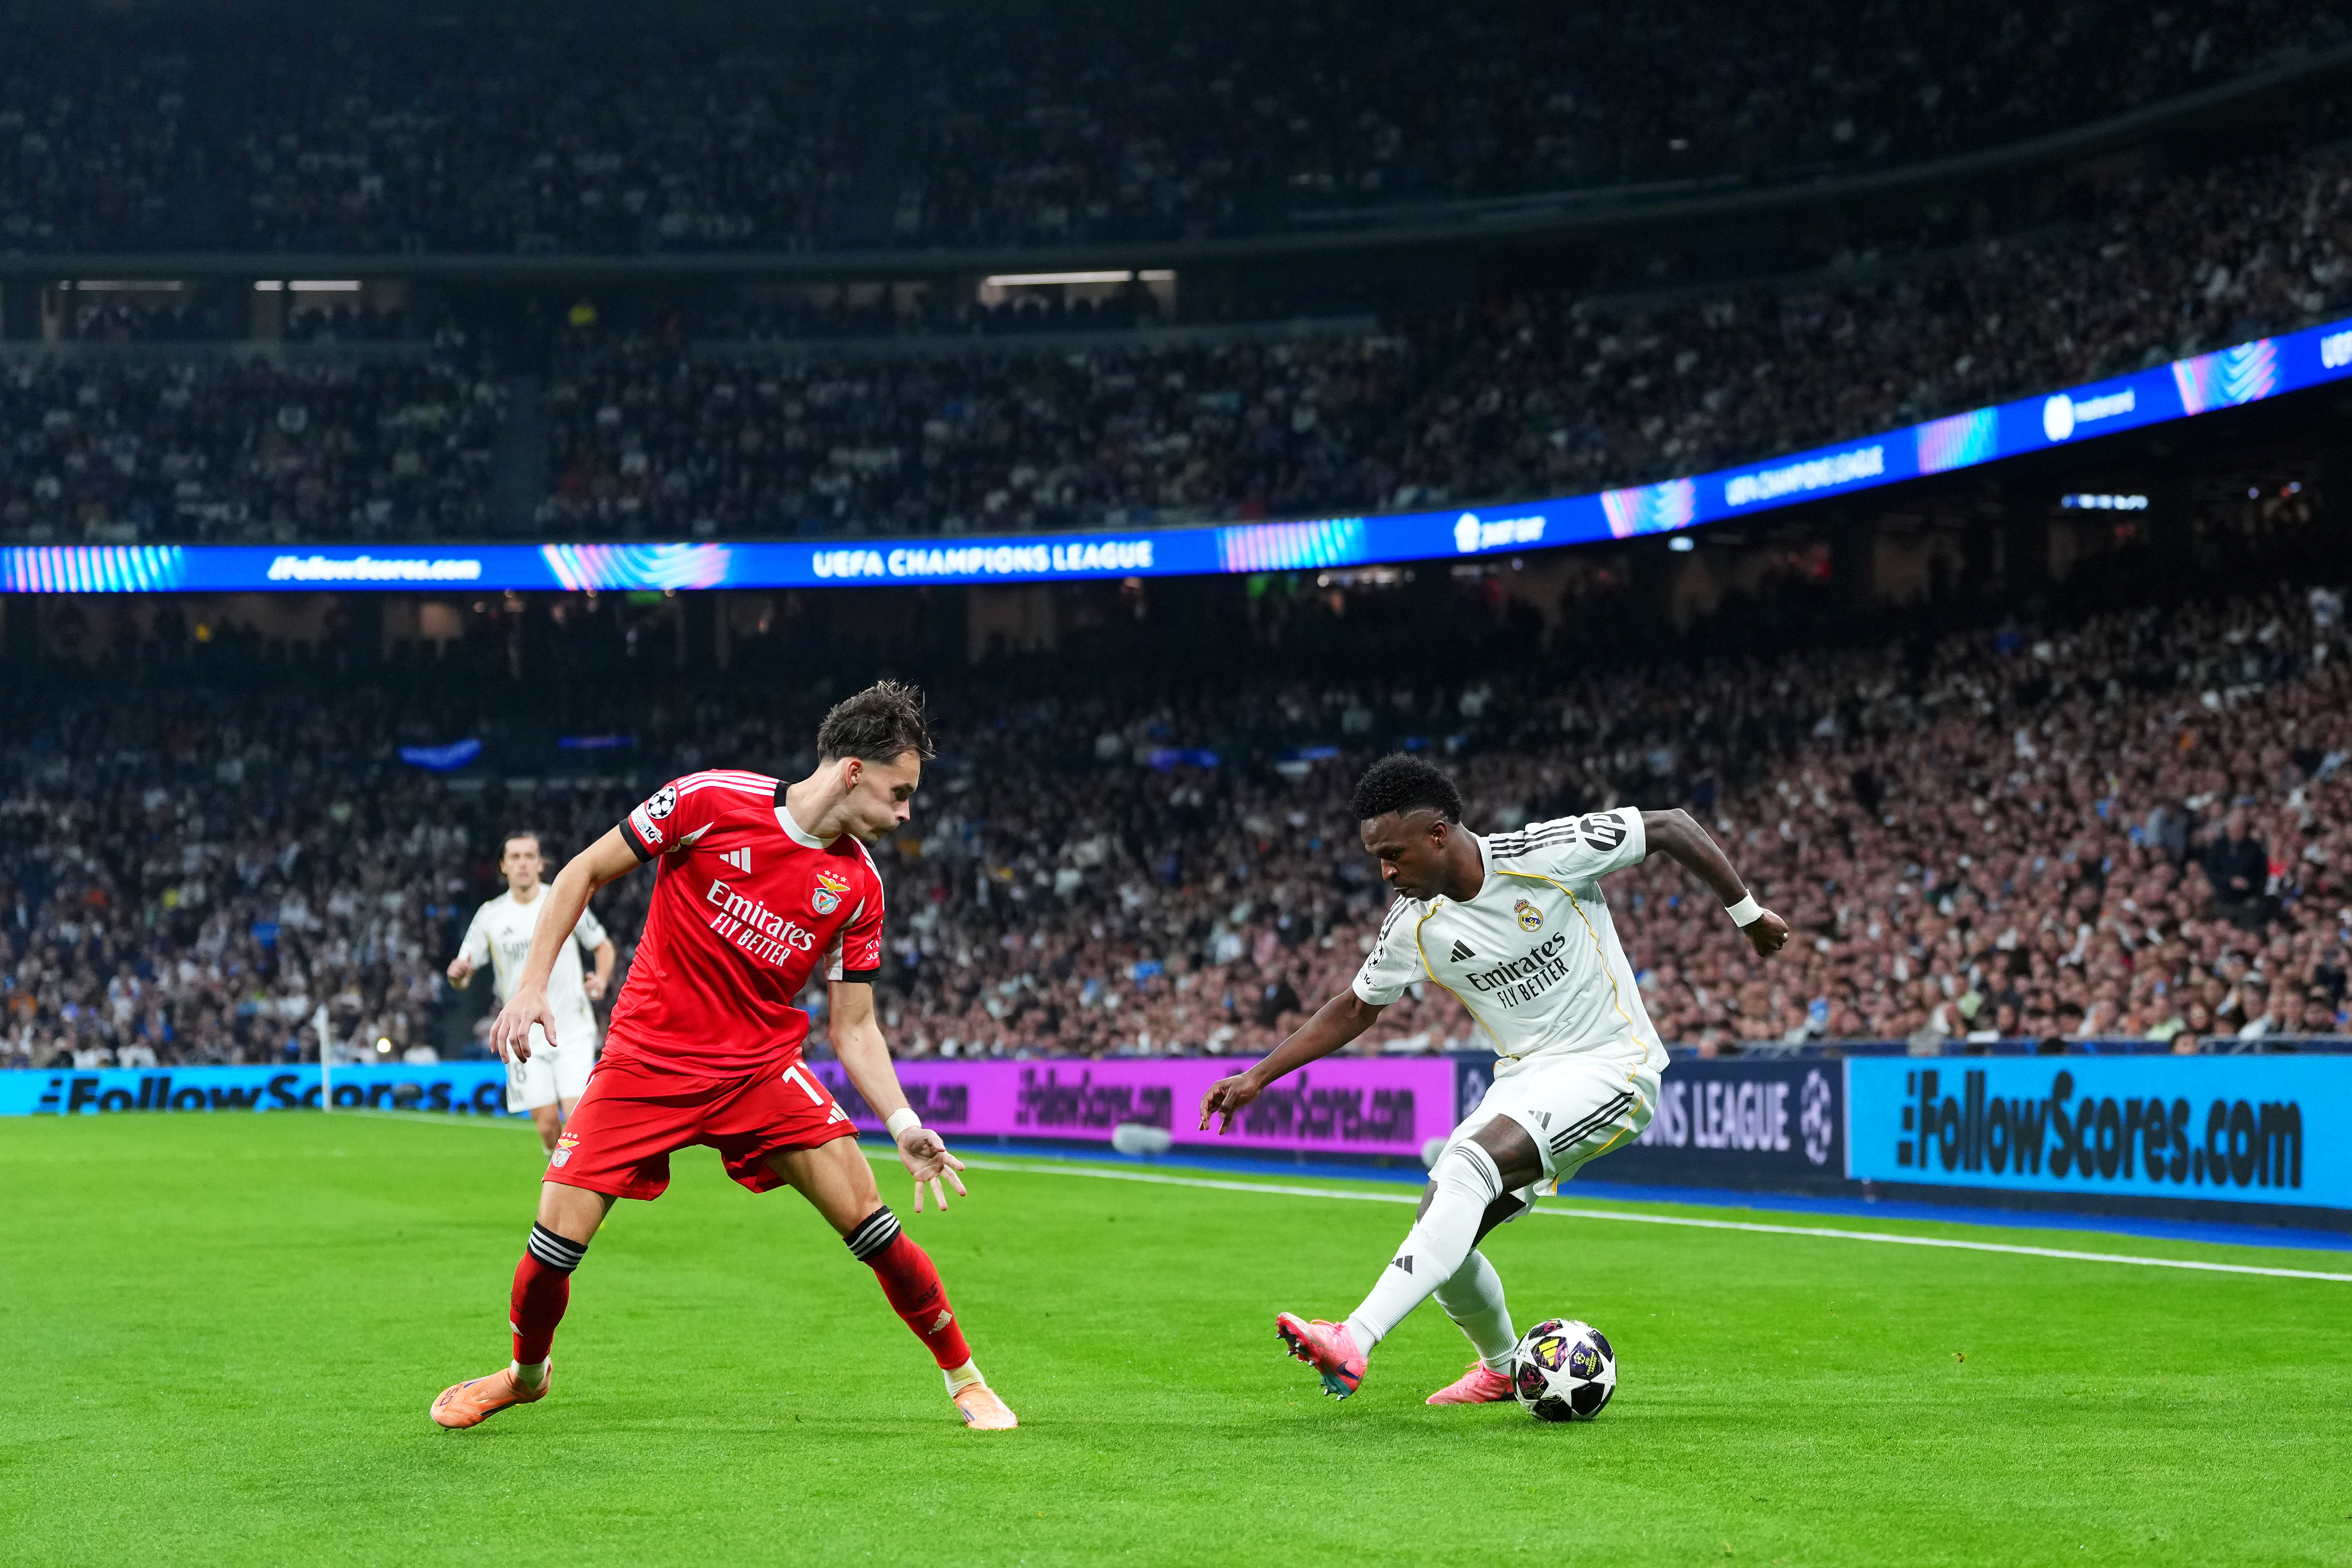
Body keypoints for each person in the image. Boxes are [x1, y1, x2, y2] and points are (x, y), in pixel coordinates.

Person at [429, 681, 1017, 1432]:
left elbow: (856, 1026)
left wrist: (902, 1122)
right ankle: (524, 1373)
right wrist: (532, 986)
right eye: (899, 792)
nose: (905, 812)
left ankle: (965, 1378)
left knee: (872, 1223)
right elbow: (581, 869)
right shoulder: (706, 799)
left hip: (760, 1072)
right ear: (850, 772)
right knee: (551, 1248)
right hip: (646, 1060)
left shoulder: (859, 883)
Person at [1198, 754, 1788, 1406]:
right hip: (1525, 1080)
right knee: (1441, 1225)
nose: (1386, 871)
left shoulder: (1547, 852)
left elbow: (1672, 825)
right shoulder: (1412, 925)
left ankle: (1354, 1338)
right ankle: (1505, 1367)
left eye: (1394, 853)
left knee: (1468, 1168)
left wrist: (1748, 914)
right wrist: (1259, 1075)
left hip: (1613, 1064)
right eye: (1376, 858)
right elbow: (1357, 1005)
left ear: (1439, 833)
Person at [448, 831, 616, 1153]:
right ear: (503, 867)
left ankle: (574, 1192)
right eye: (515, 857)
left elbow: (603, 946)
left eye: (529, 856)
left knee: (578, 1121)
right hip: (523, 1035)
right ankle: (561, 1183)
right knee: (549, 1127)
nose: (523, 864)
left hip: (572, 1030)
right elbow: (463, 975)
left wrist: (602, 979)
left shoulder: (563, 898)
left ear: (541, 864)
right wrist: (458, 974)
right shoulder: (491, 915)